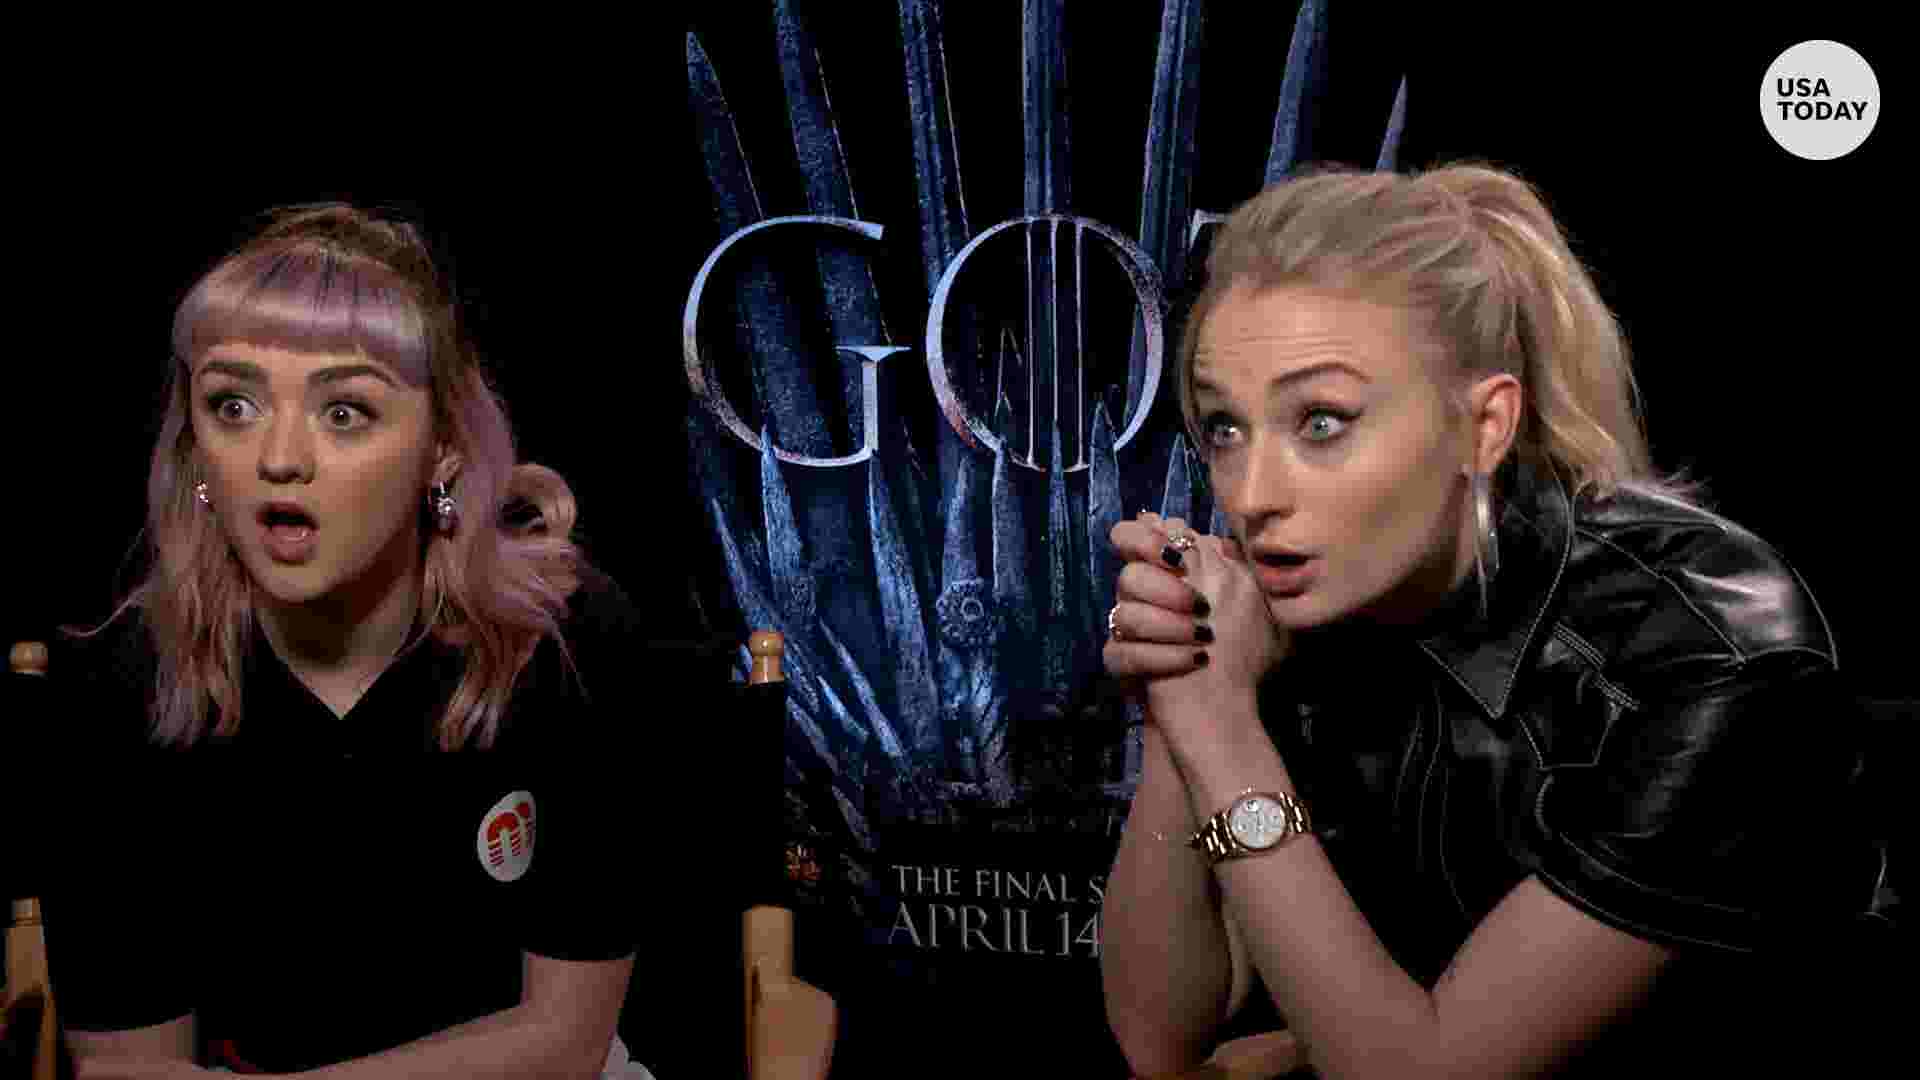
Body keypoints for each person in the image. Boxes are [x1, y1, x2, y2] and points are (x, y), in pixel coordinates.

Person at [1098, 164, 1886, 1078]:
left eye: (1321, 423)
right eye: (1226, 428)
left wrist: (1227, 735)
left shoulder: (1708, 655)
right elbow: (1160, 1039)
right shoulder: (1314, 602)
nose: (1250, 496)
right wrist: (1184, 703)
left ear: (1485, 426)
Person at [38, 204, 647, 1078]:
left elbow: (566, 1043)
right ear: (196, 451)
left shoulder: (567, 640)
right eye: (234, 404)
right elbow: (127, 1067)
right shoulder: (119, 687)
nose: (280, 458)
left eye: (345, 412)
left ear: (442, 449)